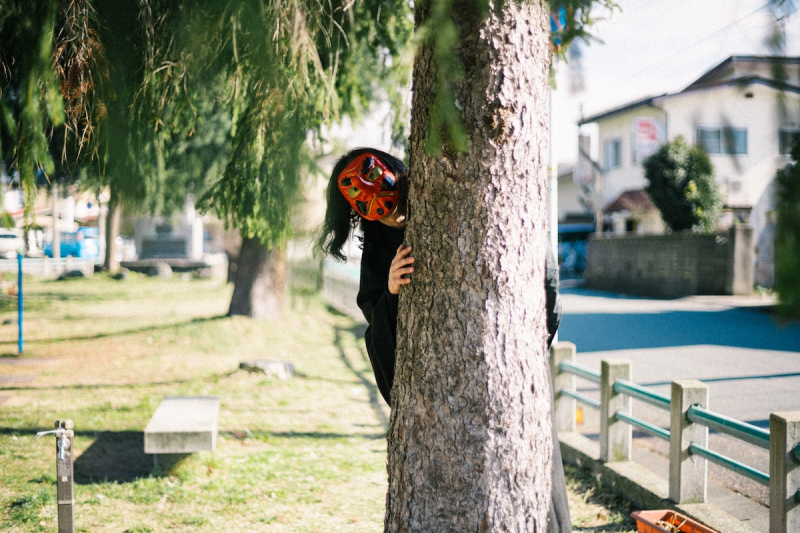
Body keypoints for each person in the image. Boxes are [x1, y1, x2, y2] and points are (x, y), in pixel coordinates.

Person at [315, 147, 572, 533]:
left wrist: (532, 344)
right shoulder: (378, 247)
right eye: (375, 210)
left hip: (509, 372)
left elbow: (537, 264)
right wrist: (391, 290)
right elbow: (376, 326)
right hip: (443, 398)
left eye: (390, 199)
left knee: (533, 474)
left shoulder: (449, 195)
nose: (389, 214)